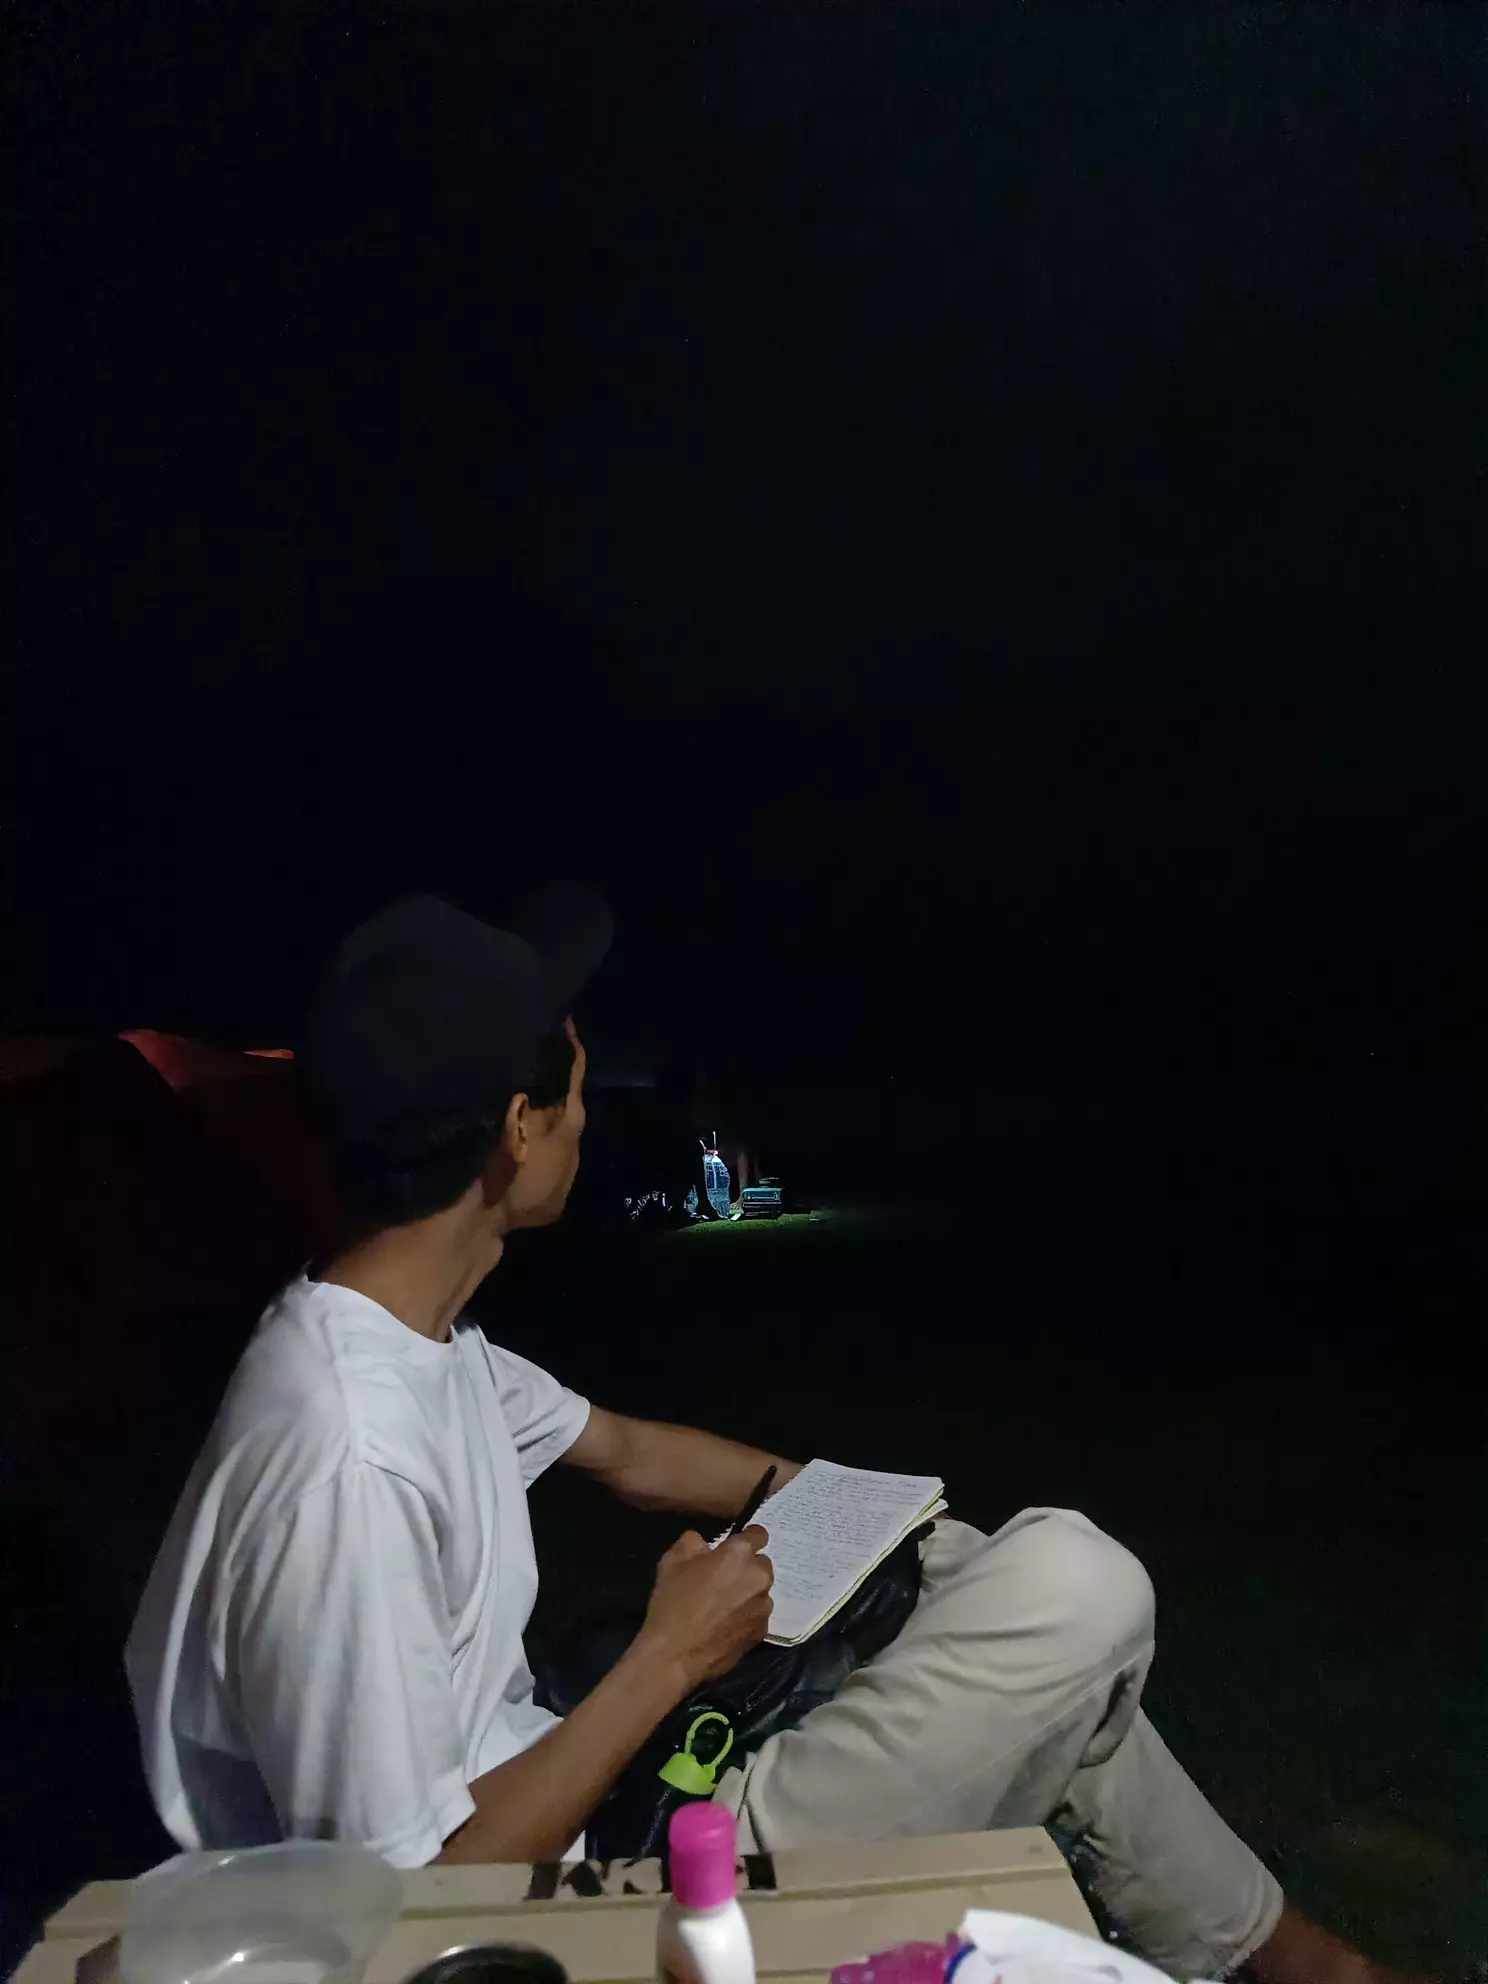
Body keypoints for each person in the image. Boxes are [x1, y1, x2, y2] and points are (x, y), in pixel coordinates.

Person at [127, 892, 1421, 1984]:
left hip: (598, 1796)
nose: (590, 1106)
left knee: (994, 1595)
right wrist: (670, 1656)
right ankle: (1294, 1964)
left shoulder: (414, 1339)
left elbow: (628, 1451)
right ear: (517, 1130)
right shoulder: (348, 1461)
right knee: (1078, 1589)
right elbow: (417, 1904)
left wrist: (855, 1512)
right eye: (572, 1075)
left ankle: (1304, 1966)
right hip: (580, 1905)